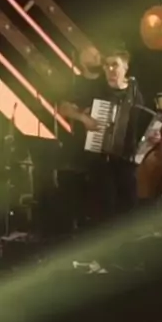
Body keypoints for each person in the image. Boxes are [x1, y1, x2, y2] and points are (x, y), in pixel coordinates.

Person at [60, 45, 145, 226]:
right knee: (105, 213)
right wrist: (84, 118)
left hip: (127, 160)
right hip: (101, 161)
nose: (110, 70)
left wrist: (152, 137)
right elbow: (64, 107)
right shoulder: (95, 90)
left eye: (115, 65)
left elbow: (143, 124)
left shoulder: (134, 92)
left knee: (129, 212)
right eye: (107, 65)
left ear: (125, 67)